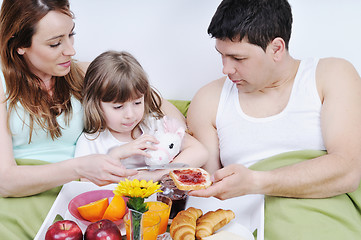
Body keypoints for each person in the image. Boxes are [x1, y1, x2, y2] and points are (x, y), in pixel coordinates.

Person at [187, 0, 361, 238]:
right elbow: (206, 189)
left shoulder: (330, 75)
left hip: (320, 221)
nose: (226, 69)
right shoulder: (209, 99)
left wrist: (255, 181)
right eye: (221, 55)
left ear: (277, 48)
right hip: (241, 227)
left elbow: (348, 170)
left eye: (238, 58)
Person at [75, 50, 208, 181]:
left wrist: (156, 176)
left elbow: (199, 152)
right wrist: (117, 154)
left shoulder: (154, 125)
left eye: (137, 103)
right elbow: (87, 184)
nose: (130, 114)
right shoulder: (90, 141)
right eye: (118, 107)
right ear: (95, 104)